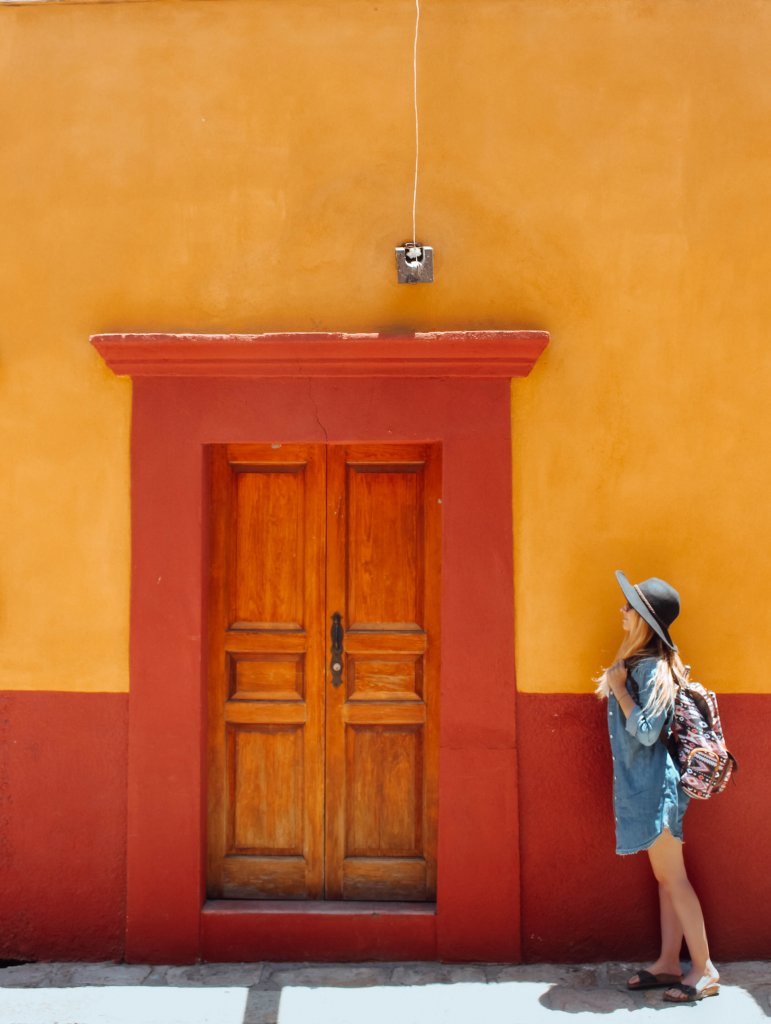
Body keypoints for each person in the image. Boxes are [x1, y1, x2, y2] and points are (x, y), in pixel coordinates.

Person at [595, 570, 720, 1003]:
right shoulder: (643, 664)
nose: (622, 611)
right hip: (651, 787)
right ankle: (670, 962)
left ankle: (704, 970)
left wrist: (619, 690)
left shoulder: (647, 668)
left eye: (629, 606)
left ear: (644, 619)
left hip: (657, 789)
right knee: (666, 879)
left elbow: (647, 732)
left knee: (675, 879)